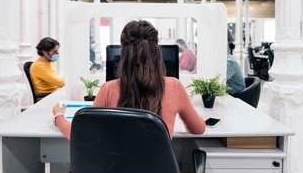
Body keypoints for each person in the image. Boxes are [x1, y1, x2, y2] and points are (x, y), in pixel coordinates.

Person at [53, 20, 205, 139]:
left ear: (123, 54)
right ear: (156, 53)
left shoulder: (108, 89)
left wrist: (58, 116)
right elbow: (198, 129)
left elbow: (80, 134)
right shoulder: (174, 87)